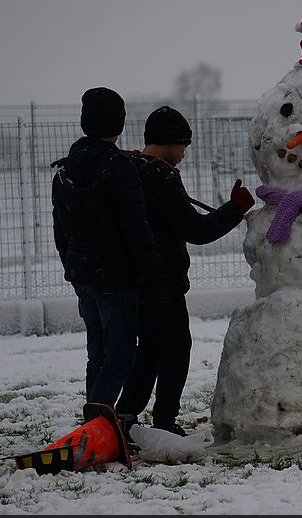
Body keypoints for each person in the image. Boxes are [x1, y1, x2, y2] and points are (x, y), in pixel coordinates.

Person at [116, 106, 255, 436]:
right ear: (169, 142)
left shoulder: (133, 169)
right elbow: (196, 229)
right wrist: (235, 208)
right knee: (174, 350)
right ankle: (156, 418)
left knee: (149, 349)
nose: (184, 154)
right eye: (184, 146)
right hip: (162, 281)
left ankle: (126, 416)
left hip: (136, 278)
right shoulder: (160, 175)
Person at [51, 87, 165, 410]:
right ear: (119, 124)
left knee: (98, 353)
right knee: (122, 355)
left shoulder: (67, 170)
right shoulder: (120, 168)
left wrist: (72, 265)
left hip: (82, 274)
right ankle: (96, 422)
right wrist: (154, 273)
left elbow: (61, 228)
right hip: (115, 278)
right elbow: (136, 228)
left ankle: (95, 419)